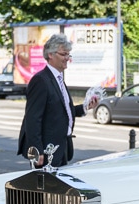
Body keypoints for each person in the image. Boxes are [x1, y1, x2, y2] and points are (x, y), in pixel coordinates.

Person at [17, 34, 97, 167]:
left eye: (69, 55)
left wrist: (85, 107)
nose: (67, 58)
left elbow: (61, 111)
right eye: (64, 54)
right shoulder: (41, 80)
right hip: (46, 151)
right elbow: (33, 118)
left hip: (61, 147)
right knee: (47, 187)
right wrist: (37, 150)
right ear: (51, 55)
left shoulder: (58, 79)